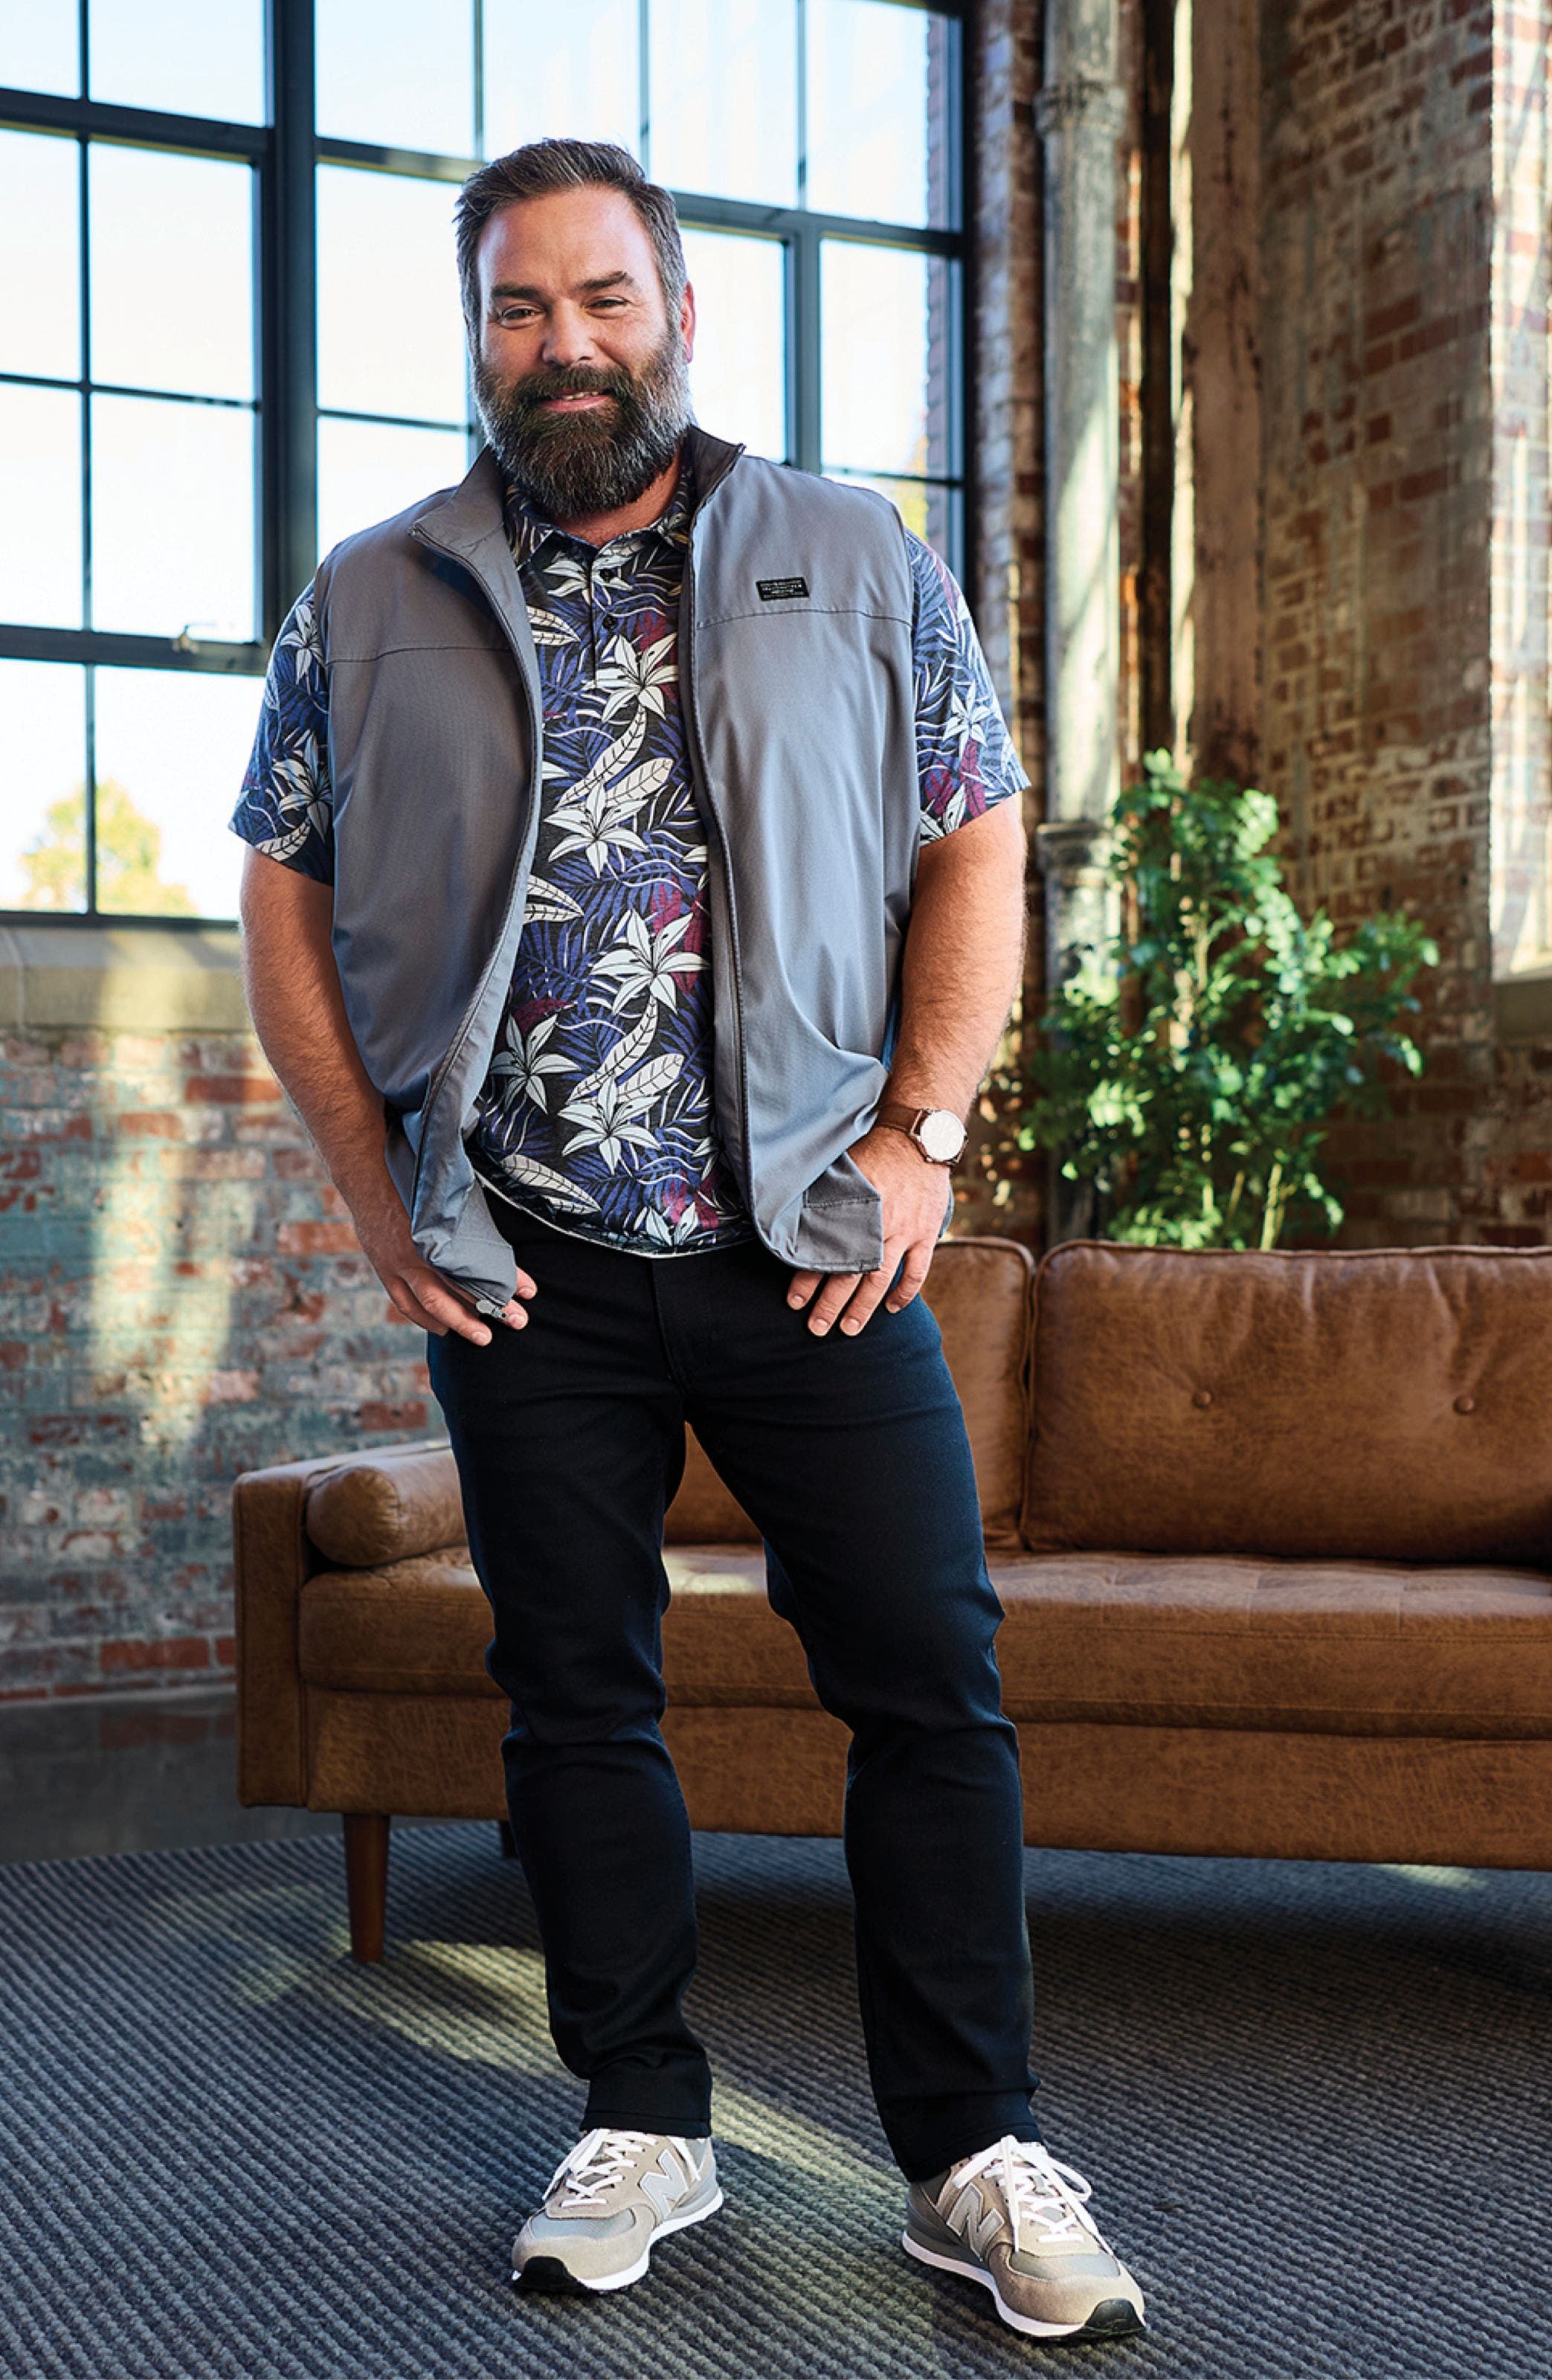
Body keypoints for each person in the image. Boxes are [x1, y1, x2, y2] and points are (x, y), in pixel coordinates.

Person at [230, 136, 1145, 2347]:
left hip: (815, 1240)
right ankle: (640, 2108)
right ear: (480, 338)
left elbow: (978, 834)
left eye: (603, 301)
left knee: (929, 1683)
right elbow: (278, 873)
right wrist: (374, 1183)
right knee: (575, 1699)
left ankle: (970, 2151)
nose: (565, 348)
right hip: (525, 1260)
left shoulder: (850, 551)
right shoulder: (373, 591)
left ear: (680, 314)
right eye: (521, 311)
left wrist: (927, 1130)